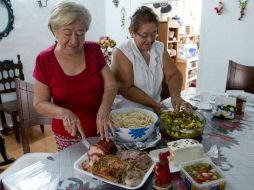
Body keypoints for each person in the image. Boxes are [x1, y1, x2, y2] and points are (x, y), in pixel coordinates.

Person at [33, 1, 117, 150]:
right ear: (54, 30)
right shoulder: (44, 59)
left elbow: (111, 84)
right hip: (69, 134)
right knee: (74, 170)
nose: (74, 40)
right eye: (67, 33)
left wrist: (104, 110)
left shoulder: (94, 49)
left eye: (80, 33)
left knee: (106, 168)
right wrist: (63, 113)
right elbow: (40, 103)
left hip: (103, 128)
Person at [111, 6, 192, 114]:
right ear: (131, 32)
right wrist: (154, 104)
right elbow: (127, 89)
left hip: (154, 109)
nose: (150, 40)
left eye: (154, 34)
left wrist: (175, 96)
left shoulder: (159, 47)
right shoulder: (122, 52)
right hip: (128, 114)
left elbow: (173, 74)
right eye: (144, 35)